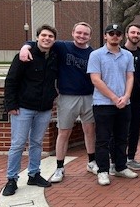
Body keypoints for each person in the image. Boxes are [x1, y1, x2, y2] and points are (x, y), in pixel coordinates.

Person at [18, 22, 96, 183]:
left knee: (90, 130)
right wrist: (25, 47)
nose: (82, 36)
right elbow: (40, 42)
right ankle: (59, 167)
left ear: (90, 36)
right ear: (73, 32)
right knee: (64, 132)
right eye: (79, 33)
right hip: (67, 97)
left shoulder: (93, 53)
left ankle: (91, 162)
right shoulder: (62, 47)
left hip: (89, 96)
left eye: (85, 34)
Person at [2, 25, 59, 196]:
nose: (47, 38)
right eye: (43, 35)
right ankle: (12, 179)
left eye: (50, 36)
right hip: (23, 108)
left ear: (54, 40)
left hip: (44, 109)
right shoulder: (24, 56)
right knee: (18, 144)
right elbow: (11, 80)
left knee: (37, 143)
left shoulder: (55, 56)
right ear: (37, 37)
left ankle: (34, 174)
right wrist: (11, 105)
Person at [87, 24, 138, 186]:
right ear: (105, 36)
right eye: (111, 33)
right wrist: (115, 98)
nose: (114, 36)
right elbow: (96, 79)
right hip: (103, 104)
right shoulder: (96, 55)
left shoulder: (128, 55)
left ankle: (120, 166)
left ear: (122, 36)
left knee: (122, 137)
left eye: (117, 33)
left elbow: (130, 77)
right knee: (103, 139)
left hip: (125, 103)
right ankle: (103, 170)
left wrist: (126, 96)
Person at [122, 23, 140, 171]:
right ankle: (117, 159)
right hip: (121, 99)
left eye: (138, 33)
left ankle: (130, 157)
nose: (135, 35)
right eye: (133, 32)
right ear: (127, 34)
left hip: (138, 100)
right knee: (119, 129)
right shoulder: (118, 52)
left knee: (134, 129)